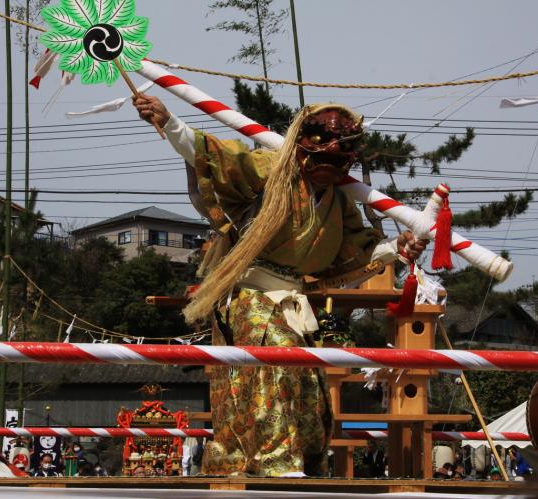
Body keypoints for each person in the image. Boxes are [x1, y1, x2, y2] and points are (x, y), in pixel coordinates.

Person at [133, 96, 428, 477]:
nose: (329, 163)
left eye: (340, 156)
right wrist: (169, 121)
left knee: (309, 383)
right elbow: (218, 156)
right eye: (322, 149)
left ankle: (302, 461)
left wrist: (399, 247)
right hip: (249, 294)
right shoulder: (269, 168)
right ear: (302, 143)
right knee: (277, 362)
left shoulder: (339, 201)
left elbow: (362, 249)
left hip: (294, 301)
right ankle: (275, 462)